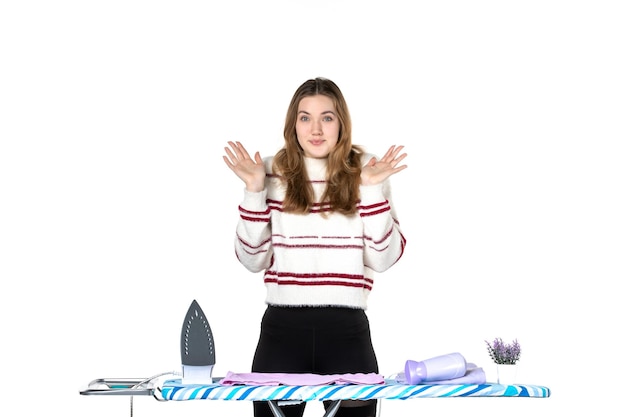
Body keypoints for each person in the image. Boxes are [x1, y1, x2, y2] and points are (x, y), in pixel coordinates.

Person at [222, 77, 407, 417]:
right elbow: (252, 259)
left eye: (328, 117)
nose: (316, 129)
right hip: (281, 332)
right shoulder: (269, 172)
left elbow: (382, 260)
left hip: (347, 332)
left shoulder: (367, 170)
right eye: (305, 117)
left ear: (341, 123)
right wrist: (253, 189)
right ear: (293, 124)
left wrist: (370, 191)